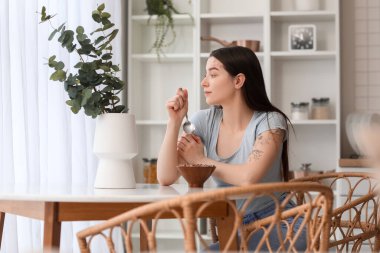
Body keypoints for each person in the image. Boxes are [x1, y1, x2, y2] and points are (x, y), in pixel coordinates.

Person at [157, 46, 306, 251]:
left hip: (283, 223)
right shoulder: (204, 121)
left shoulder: (271, 121)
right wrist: (173, 123)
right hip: (233, 226)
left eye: (213, 74)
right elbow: (166, 177)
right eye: (205, 74)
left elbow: (248, 178)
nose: (204, 82)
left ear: (238, 81)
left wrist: (202, 160)